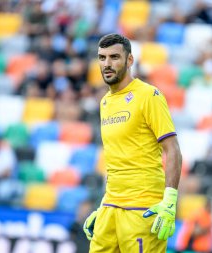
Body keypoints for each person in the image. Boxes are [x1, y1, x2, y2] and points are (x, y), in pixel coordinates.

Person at [83, 34, 182, 253]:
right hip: (111, 208)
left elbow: (172, 148)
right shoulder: (105, 102)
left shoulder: (149, 95)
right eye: (102, 57)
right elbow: (118, 156)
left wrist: (170, 201)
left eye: (114, 57)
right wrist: (105, 205)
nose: (107, 64)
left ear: (129, 60)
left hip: (142, 208)